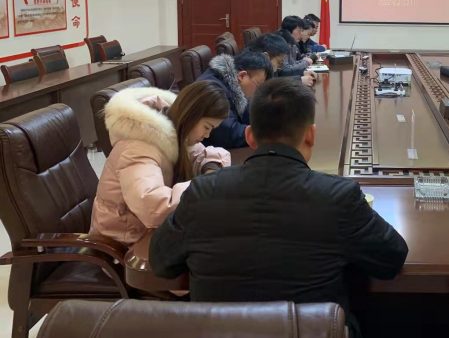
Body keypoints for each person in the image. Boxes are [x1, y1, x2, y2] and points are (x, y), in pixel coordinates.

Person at [149, 77, 408, 324]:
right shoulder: (339, 197)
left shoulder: (202, 193)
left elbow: (160, 262)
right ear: (310, 135)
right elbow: (392, 258)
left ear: (250, 137)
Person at [90, 81, 231, 245]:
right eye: (207, 127)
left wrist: (211, 168)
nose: (207, 135)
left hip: (148, 231)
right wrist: (203, 185)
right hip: (122, 241)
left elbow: (203, 155)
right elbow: (152, 206)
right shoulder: (138, 147)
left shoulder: (173, 130)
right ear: (191, 115)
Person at [196, 50, 273, 148]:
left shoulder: (232, 85)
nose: (259, 92)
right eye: (258, 85)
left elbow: (246, 115)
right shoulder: (212, 90)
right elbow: (228, 133)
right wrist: (268, 133)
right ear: (242, 76)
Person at [248, 32, 316, 87]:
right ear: (266, 56)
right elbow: (270, 86)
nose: (281, 66)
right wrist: (299, 80)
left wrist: (302, 74)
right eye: (279, 62)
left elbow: (278, 77)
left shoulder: (266, 63)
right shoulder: (253, 73)